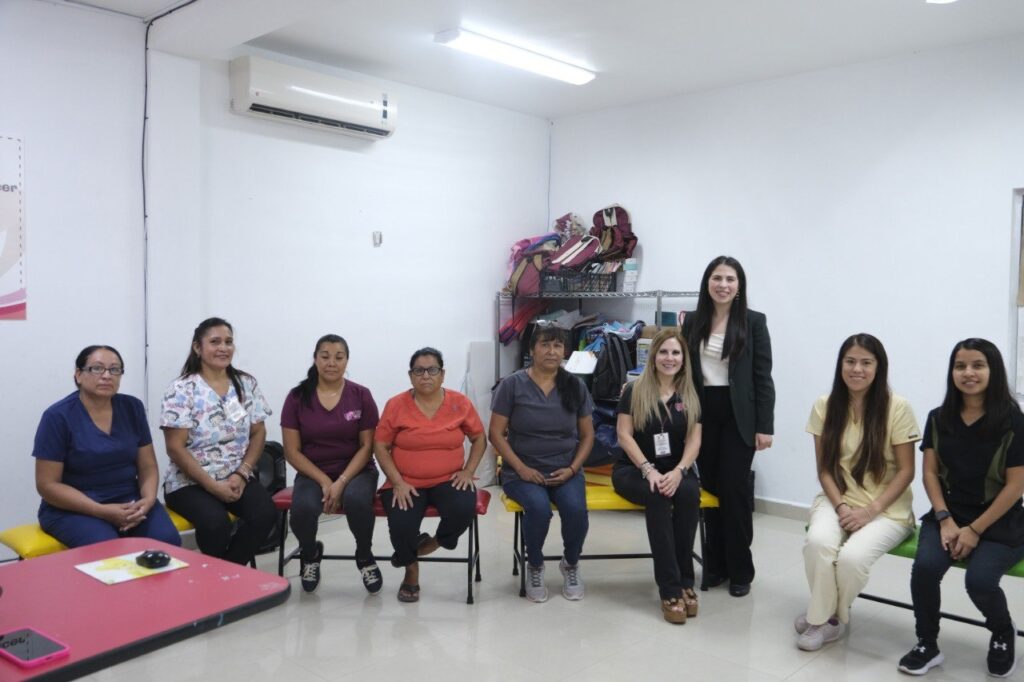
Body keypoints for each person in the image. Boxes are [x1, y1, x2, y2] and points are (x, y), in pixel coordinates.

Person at [898, 339, 1024, 677]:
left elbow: (1016, 486)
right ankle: (927, 642)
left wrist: (974, 529)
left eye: (977, 365)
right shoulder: (939, 418)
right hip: (948, 516)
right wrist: (944, 519)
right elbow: (928, 473)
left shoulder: (1013, 420)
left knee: (979, 581)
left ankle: (1001, 631)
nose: (968, 373)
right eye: (960, 366)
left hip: (1000, 520)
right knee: (925, 568)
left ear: (993, 370)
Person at [798, 334, 918, 651]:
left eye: (866, 362)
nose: (857, 369)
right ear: (841, 365)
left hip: (888, 510)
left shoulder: (898, 408)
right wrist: (841, 508)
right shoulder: (824, 406)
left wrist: (869, 511)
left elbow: (907, 471)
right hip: (838, 499)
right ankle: (827, 620)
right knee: (818, 542)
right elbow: (824, 469)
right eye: (850, 361)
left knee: (851, 559)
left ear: (879, 367)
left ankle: (823, 617)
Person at [682, 255, 775, 597]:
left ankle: (740, 571)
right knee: (711, 493)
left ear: (739, 287)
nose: (723, 285)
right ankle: (715, 566)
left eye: (730, 279)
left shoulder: (753, 321)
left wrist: (765, 426)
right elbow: (682, 372)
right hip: (703, 413)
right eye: (717, 278)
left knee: (734, 492)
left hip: (740, 416)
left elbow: (762, 377)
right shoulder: (692, 321)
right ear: (708, 283)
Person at [32, 345, 181, 548]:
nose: (106, 376)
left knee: (167, 541)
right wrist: (101, 511)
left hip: (130, 501)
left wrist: (147, 501)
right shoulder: (57, 417)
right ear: (78, 375)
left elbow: (147, 466)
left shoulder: (132, 407)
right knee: (108, 550)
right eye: (97, 368)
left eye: (114, 369)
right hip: (74, 508)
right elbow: (47, 485)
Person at [490, 326, 595, 603]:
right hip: (521, 471)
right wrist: (521, 468)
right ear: (531, 350)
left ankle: (570, 563)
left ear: (565, 351)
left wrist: (573, 469)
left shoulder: (575, 385)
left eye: (558, 346)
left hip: (566, 469)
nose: (552, 351)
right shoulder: (511, 385)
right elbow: (495, 434)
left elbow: (587, 436)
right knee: (538, 509)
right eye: (545, 345)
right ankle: (535, 564)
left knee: (575, 511)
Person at [161, 317, 277, 566]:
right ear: (197, 347)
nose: (223, 348)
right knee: (216, 524)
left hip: (236, 475)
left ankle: (228, 573)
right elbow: (175, 447)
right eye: (215, 342)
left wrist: (242, 473)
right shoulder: (181, 389)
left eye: (228, 341)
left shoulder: (246, 384)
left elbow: (258, 433)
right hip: (189, 482)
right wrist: (213, 486)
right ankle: (222, 580)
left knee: (265, 514)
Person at [374, 347, 486, 603]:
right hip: (405, 482)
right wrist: (398, 482)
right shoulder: (396, 405)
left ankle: (434, 543)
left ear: (442, 374)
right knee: (401, 525)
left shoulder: (459, 402)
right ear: (411, 376)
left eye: (432, 370)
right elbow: (380, 446)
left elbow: (479, 438)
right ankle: (410, 570)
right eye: (419, 371)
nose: (426, 375)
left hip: (449, 479)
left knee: (462, 508)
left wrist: (468, 471)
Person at [613, 329, 702, 624]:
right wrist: (647, 469)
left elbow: (694, 441)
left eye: (676, 353)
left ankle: (686, 580)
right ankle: (670, 589)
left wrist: (679, 471)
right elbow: (624, 435)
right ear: (653, 357)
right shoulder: (634, 391)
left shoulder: (689, 393)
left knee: (689, 493)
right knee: (658, 496)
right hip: (633, 469)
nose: (669, 358)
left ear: (683, 359)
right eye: (663, 352)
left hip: (676, 468)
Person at [281, 334, 382, 594]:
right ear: (315, 359)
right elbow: (292, 452)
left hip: (357, 470)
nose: (331, 363)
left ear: (347, 361)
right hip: (313, 471)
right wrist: (326, 481)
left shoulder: (361, 395)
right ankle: (310, 553)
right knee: (302, 508)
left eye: (339, 357)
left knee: (358, 501)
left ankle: (364, 556)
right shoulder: (296, 397)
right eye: (324, 356)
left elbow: (367, 446)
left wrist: (342, 482)